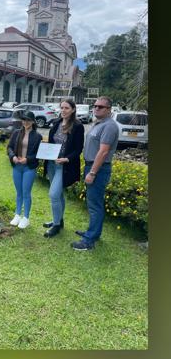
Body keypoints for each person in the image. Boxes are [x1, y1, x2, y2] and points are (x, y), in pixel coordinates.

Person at [72, 97, 119, 252]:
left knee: (95, 205)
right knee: (93, 203)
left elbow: (104, 151)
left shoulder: (110, 126)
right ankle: (93, 233)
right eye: (95, 106)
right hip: (91, 166)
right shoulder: (98, 123)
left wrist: (92, 172)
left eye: (101, 106)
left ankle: (89, 241)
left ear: (109, 109)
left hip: (98, 169)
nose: (96, 108)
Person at [41, 98, 83, 238]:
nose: (63, 110)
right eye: (62, 107)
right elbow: (51, 142)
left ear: (73, 110)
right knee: (58, 194)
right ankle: (58, 220)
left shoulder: (77, 126)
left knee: (53, 194)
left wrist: (67, 158)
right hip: (52, 164)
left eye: (66, 108)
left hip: (64, 166)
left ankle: (56, 225)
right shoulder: (56, 123)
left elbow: (78, 149)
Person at [7, 109, 41, 229]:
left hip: (28, 168)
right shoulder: (16, 133)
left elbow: (38, 154)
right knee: (19, 192)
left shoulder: (37, 136)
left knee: (26, 193)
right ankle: (17, 215)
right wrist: (13, 156)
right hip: (17, 166)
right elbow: (10, 147)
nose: (25, 122)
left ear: (32, 122)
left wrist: (28, 159)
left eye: (28, 120)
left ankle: (26, 218)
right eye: (24, 120)